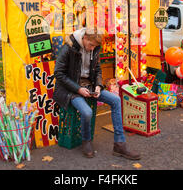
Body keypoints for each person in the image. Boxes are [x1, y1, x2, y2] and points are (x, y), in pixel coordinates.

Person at [53, 27, 141, 160]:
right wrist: (78, 89)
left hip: (90, 86)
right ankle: (86, 141)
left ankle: (119, 144)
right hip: (71, 89)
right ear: (85, 38)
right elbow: (58, 73)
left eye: (95, 46)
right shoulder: (68, 47)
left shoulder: (94, 48)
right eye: (91, 45)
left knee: (116, 100)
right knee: (87, 112)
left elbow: (98, 70)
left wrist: (98, 86)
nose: (92, 48)